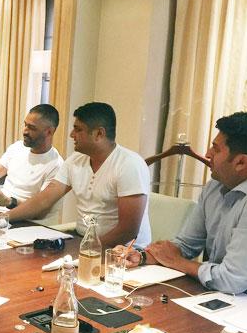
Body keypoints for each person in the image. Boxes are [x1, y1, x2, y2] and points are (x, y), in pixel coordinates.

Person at [118, 112, 247, 294]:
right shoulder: (214, 188)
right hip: (218, 295)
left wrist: (178, 262)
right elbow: (186, 245)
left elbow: (232, 279)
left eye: (216, 149)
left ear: (240, 162)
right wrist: (143, 256)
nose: (207, 154)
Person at [9, 102, 152, 248]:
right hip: (82, 240)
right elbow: (43, 200)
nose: (71, 135)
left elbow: (128, 231)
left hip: (123, 251)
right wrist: (2, 218)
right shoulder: (75, 161)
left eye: (78, 129)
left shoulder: (130, 165)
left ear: (99, 134)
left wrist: (85, 249)